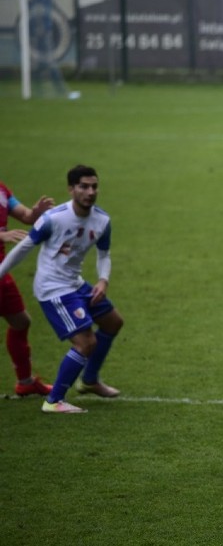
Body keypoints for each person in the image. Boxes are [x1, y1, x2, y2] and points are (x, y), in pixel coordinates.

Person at [0, 165, 124, 414]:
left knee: (112, 322)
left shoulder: (102, 220)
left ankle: (89, 381)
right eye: (83, 186)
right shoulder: (53, 219)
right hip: (52, 288)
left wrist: (103, 280)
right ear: (71, 189)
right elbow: (23, 248)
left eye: (94, 186)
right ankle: (54, 400)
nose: (90, 192)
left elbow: (104, 254)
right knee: (86, 342)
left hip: (75, 283)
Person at [1, 182, 55, 397]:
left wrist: (35, 212)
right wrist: (2, 236)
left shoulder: (2, 191)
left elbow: (25, 216)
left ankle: (25, 382)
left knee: (21, 321)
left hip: (2, 272)